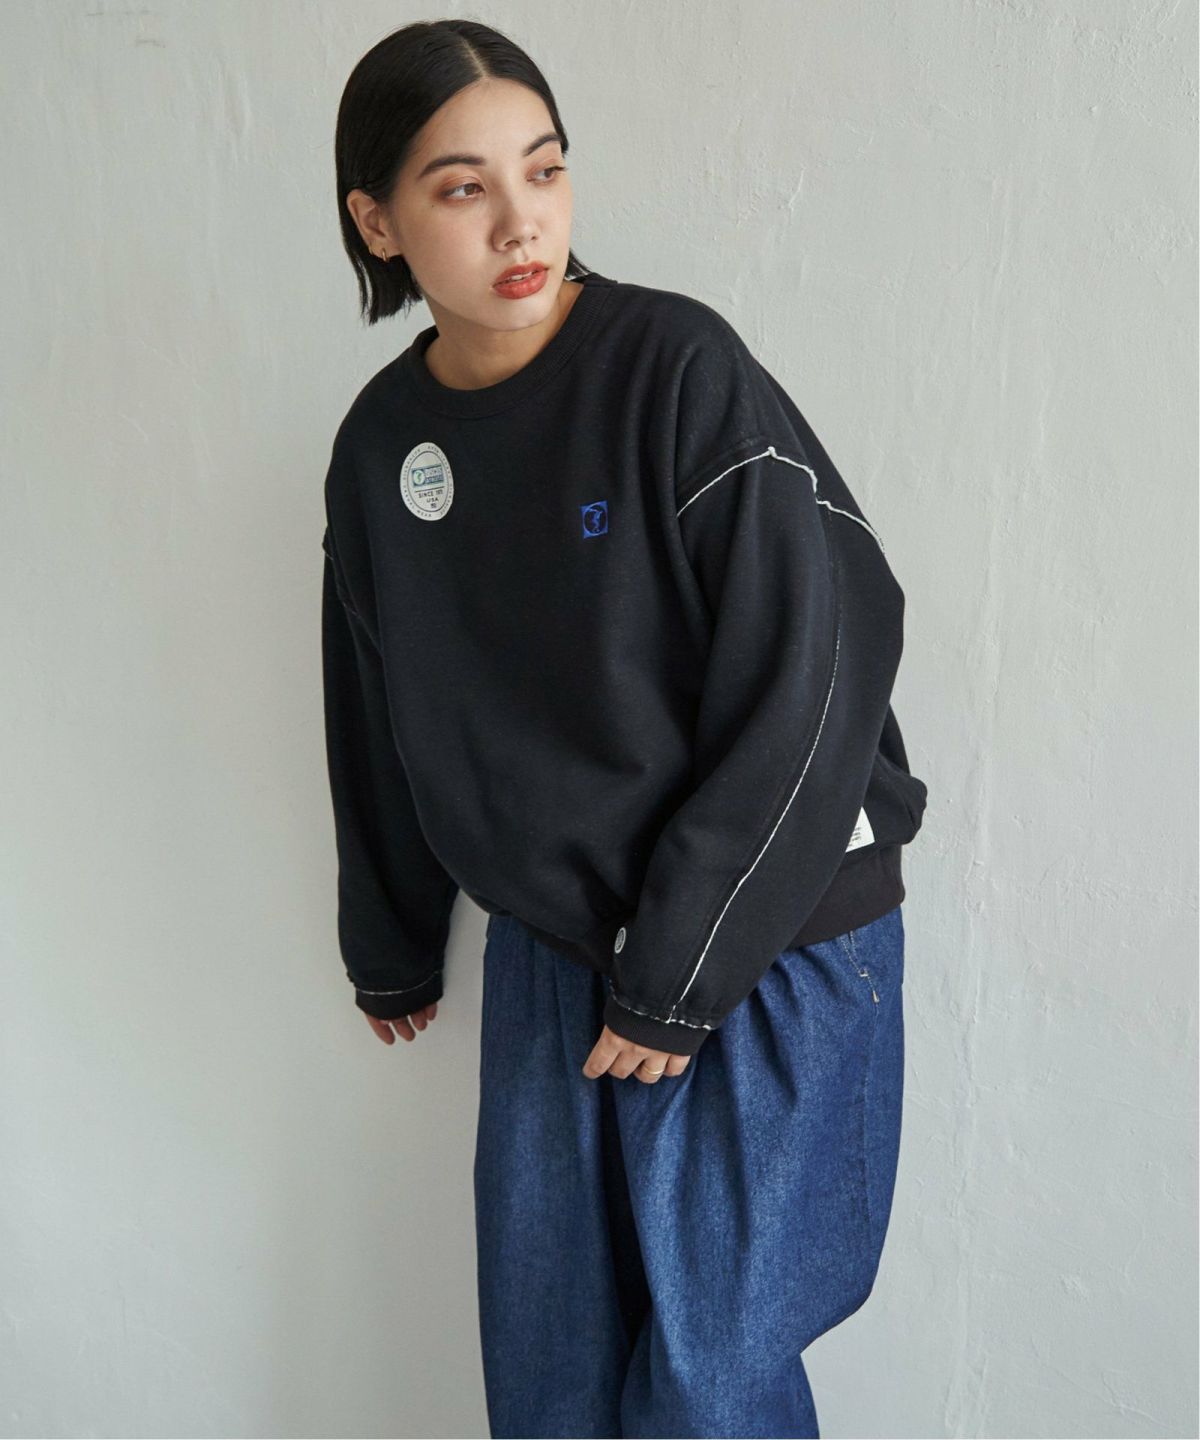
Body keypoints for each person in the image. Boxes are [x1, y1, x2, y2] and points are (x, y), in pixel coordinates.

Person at [322, 19, 929, 1439]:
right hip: (557, 946)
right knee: (556, 1385)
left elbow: (820, 663)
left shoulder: (675, 368)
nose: (521, 221)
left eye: (544, 169)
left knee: (711, 1388)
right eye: (463, 187)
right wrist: (391, 934)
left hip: (770, 932)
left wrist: (685, 965)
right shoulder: (380, 447)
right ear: (378, 221)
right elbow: (376, 693)